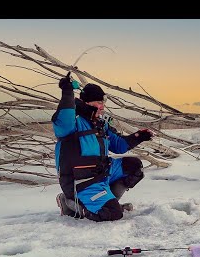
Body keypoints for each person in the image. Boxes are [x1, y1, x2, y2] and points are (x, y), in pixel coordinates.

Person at [52, 73, 154, 222]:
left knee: (134, 167)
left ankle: (109, 200)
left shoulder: (100, 124)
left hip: (102, 174)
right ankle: (70, 204)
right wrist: (67, 91)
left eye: (103, 102)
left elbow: (119, 145)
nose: (102, 107)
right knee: (113, 214)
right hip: (80, 181)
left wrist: (139, 136)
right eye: (99, 102)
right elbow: (63, 120)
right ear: (86, 102)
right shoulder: (72, 121)